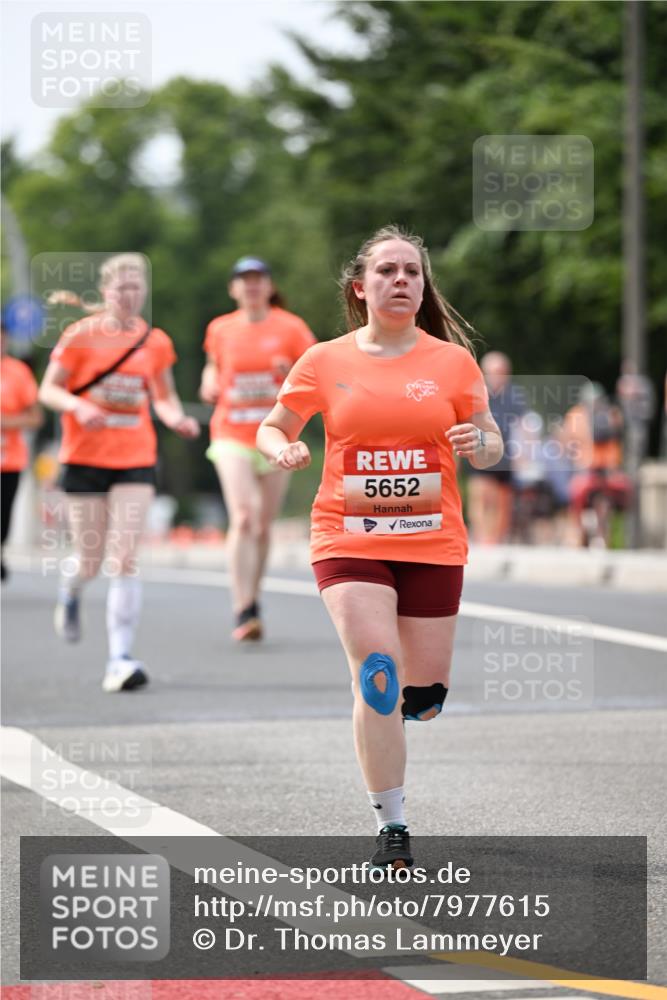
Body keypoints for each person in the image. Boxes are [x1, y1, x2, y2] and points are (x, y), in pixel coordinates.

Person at [257, 226, 502, 868]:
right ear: (360, 288)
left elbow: (490, 434)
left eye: (413, 273)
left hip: (433, 541)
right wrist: (280, 448)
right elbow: (272, 423)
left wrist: (485, 446)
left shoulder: (452, 363)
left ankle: (411, 705)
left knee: (422, 696)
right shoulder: (324, 360)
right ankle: (392, 824)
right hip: (346, 535)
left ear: (424, 289)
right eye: (388, 271)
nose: (401, 281)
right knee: (378, 674)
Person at [38, 253, 199, 692]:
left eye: (136, 288)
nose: (129, 295)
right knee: (90, 560)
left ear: (144, 292)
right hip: (85, 458)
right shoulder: (80, 335)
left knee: (124, 556)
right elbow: (48, 389)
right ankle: (70, 591)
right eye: (120, 288)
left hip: (135, 457)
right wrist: (78, 404)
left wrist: (175, 418)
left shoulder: (156, 341)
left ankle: (119, 659)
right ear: (105, 292)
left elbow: (163, 396)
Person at [199, 257, 315, 641]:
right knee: (245, 516)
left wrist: (288, 373)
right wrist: (209, 381)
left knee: (263, 525)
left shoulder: (290, 326)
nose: (251, 287)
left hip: (276, 435)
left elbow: (315, 371)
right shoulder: (220, 328)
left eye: (257, 280)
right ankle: (241, 606)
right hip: (230, 433)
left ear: (268, 286)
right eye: (243, 281)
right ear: (233, 289)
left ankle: (254, 596)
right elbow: (213, 366)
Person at [467, 351, 525, 545]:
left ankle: (495, 540)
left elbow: (523, 426)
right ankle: (483, 537)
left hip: (505, 455)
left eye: (501, 372)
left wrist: (522, 454)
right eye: (493, 372)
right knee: (481, 496)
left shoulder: (515, 396)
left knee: (502, 501)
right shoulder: (476, 392)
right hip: (480, 450)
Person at [1, 326, 43, 581]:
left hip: (9, 460)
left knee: (3, 513)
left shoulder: (18, 372)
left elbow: (35, 417)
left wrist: (6, 422)